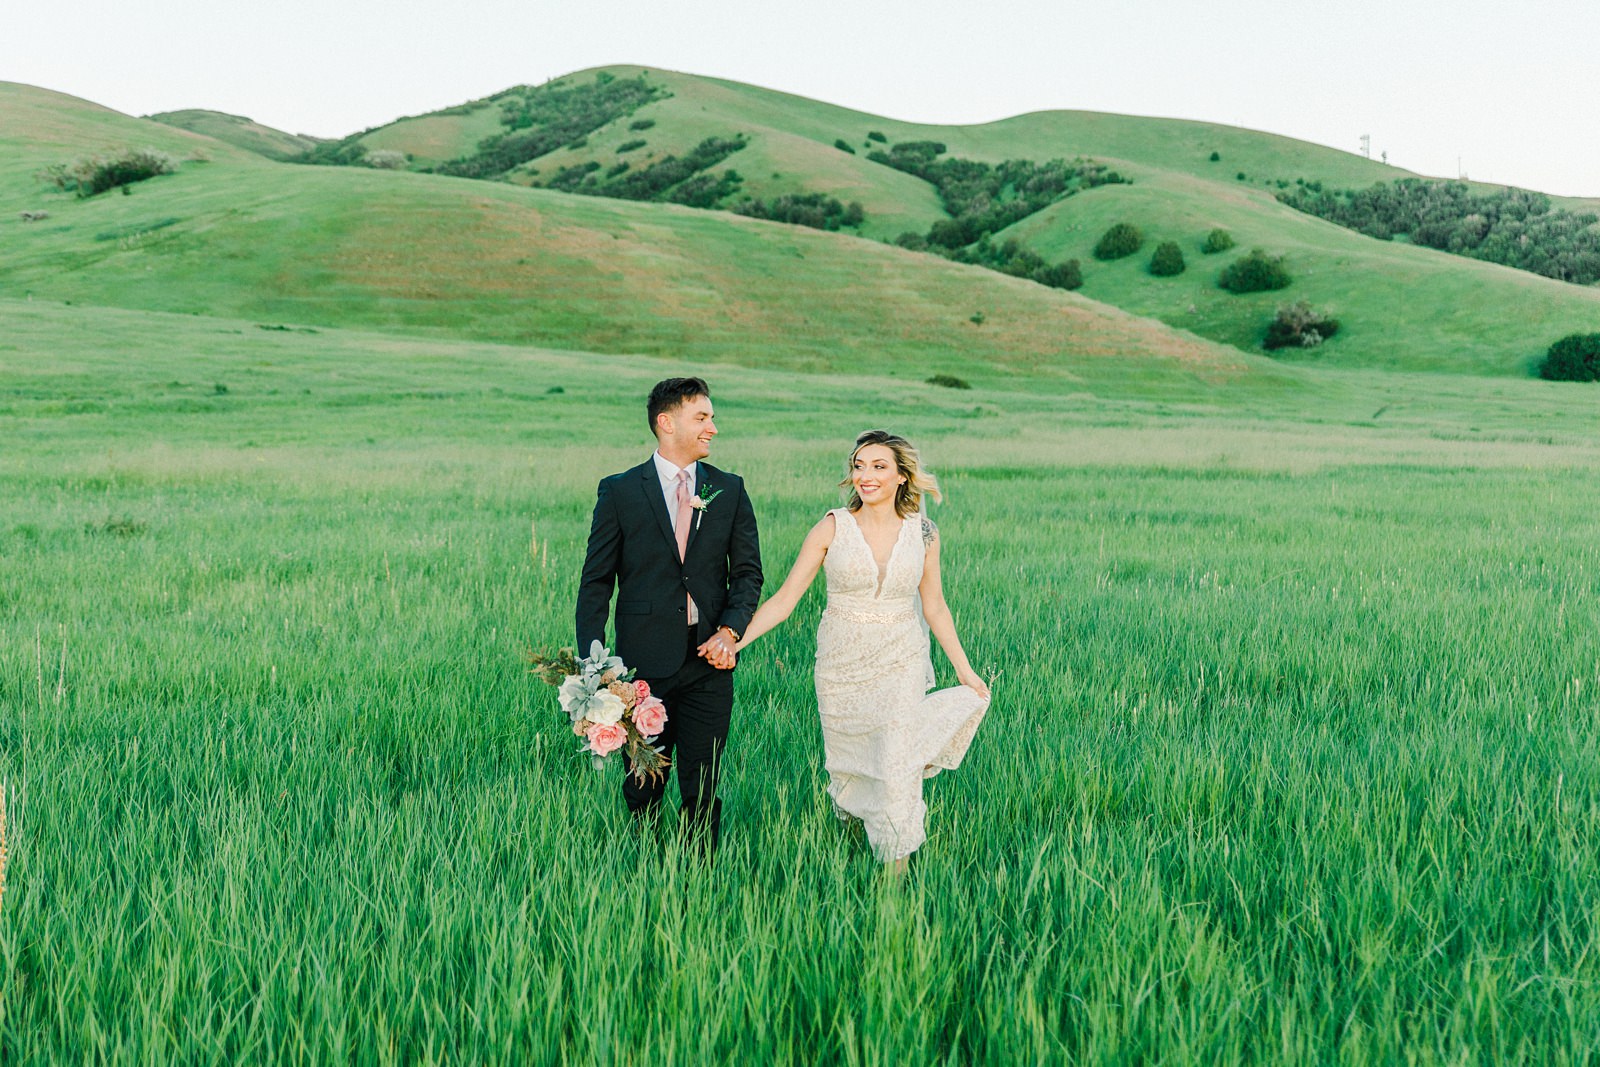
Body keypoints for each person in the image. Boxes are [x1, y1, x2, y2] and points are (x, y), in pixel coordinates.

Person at [733, 430, 989, 872]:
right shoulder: (832, 526)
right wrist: (735, 642)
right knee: (851, 768)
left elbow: (935, 606)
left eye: (878, 466)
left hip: (901, 660)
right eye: (859, 466)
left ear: (902, 477)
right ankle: (853, 849)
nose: (865, 476)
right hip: (842, 668)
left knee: (895, 766)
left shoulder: (924, 533)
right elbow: (785, 599)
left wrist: (964, 671)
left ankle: (894, 882)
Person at [576, 377, 762, 852]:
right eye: (702, 417)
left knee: (703, 786)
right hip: (640, 671)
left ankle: (700, 878)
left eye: (712, 418)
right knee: (643, 787)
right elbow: (596, 584)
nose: (713, 428)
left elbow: (747, 575)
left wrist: (730, 631)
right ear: (666, 423)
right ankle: (642, 867)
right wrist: (595, 671)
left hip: (710, 664)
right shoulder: (619, 491)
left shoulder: (730, 489)